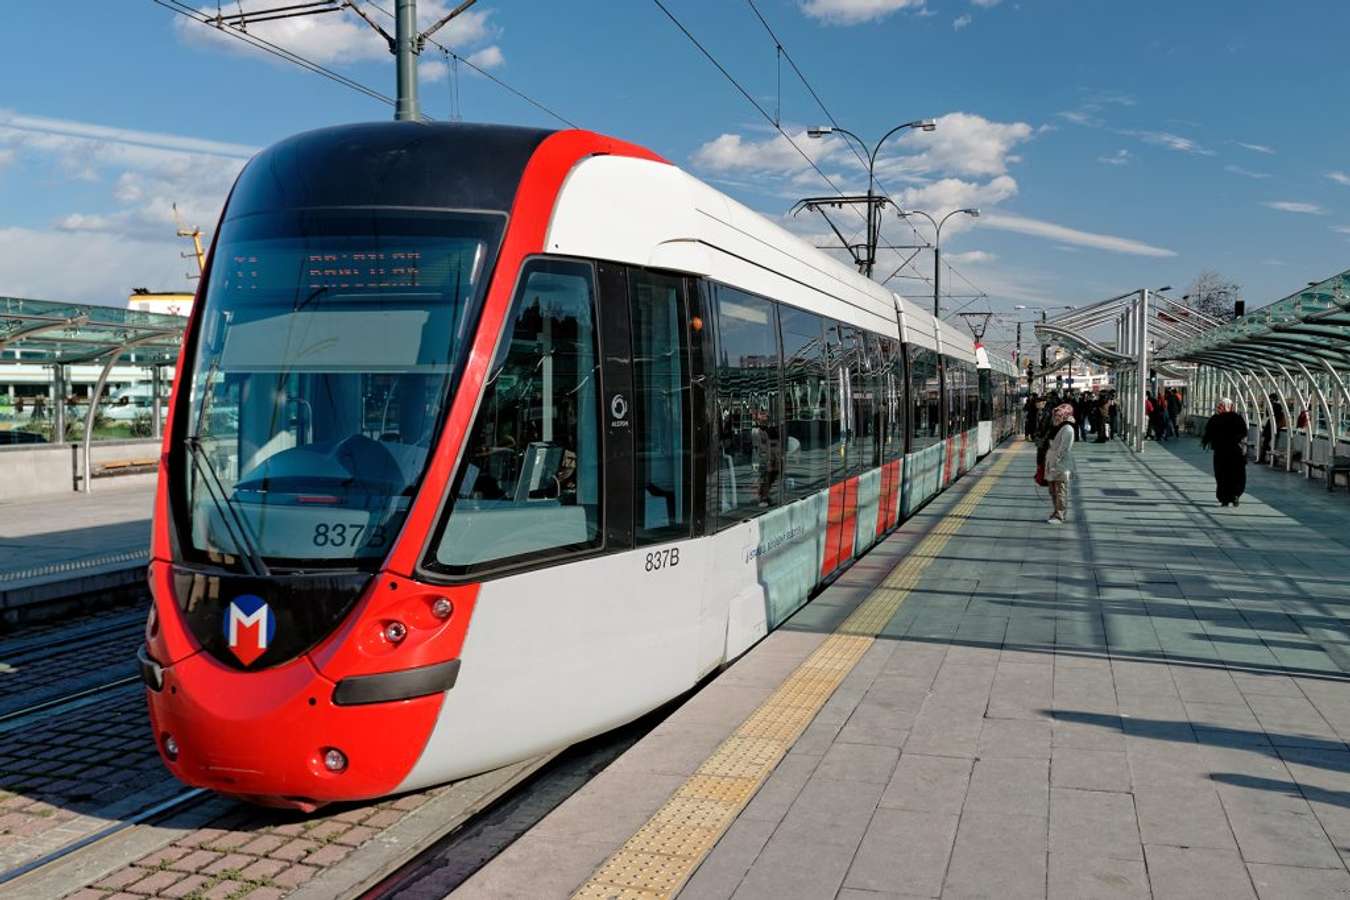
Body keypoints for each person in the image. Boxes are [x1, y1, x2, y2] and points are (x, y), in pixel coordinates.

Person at [1201, 398, 1248, 507]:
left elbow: (1208, 435)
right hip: (1235, 452)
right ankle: (1235, 494)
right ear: (1231, 406)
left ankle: (1224, 498)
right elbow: (1243, 432)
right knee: (1237, 474)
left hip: (1220, 452)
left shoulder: (1215, 419)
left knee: (1222, 475)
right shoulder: (1236, 418)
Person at [1044, 402, 1076, 524]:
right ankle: (1056, 511)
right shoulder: (1059, 427)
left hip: (1060, 465)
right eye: (1055, 415)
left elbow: (1064, 449)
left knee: (1060, 489)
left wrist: (1055, 463)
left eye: (1059, 415)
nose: (1055, 418)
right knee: (1053, 490)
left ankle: (1060, 514)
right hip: (1053, 463)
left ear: (1065, 415)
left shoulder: (1068, 429)